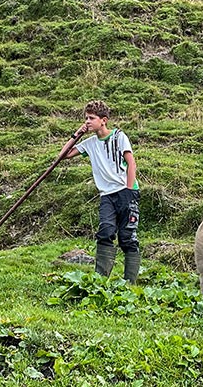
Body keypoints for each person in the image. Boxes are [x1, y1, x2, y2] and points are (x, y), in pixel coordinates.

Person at [60, 100, 141, 283]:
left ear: (103, 120)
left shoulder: (119, 137)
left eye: (91, 118)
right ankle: (100, 280)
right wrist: (77, 134)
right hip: (107, 195)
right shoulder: (89, 143)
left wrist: (129, 191)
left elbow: (131, 163)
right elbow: (63, 156)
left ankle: (130, 283)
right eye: (86, 118)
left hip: (125, 191)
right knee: (105, 231)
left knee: (127, 237)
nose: (87, 122)